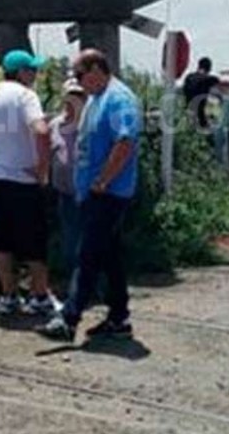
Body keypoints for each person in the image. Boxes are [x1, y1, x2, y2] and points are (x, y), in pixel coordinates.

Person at [42, 49, 141, 343]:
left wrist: (103, 180)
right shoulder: (97, 98)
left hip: (108, 194)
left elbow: (125, 142)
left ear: (97, 69)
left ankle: (69, 318)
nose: (78, 82)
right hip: (92, 193)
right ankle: (119, 317)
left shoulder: (119, 99)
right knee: (109, 257)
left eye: (80, 75)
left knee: (87, 255)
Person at [0, 49, 57, 315]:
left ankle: (8, 296)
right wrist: (41, 169)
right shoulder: (26, 96)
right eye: (33, 70)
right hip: (22, 179)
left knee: (1, 240)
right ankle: (39, 296)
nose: (35, 75)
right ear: (21, 72)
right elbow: (41, 131)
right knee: (34, 240)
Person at [49, 78, 87, 272]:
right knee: (70, 236)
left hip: (90, 191)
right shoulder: (54, 125)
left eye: (79, 95)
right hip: (64, 191)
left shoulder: (92, 124)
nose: (75, 99)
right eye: (71, 95)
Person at [181, 57, 220, 128]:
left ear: (198, 66)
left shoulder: (189, 78)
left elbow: (184, 92)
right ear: (209, 69)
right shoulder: (211, 81)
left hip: (189, 115)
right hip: (203, 118)